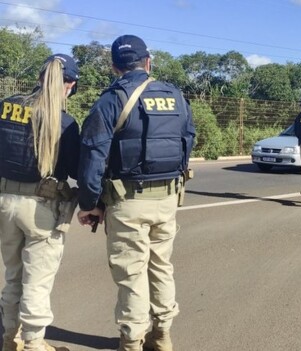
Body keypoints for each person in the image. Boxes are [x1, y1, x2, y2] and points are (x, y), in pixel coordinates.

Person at [76, 35, 195, 351]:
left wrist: (90, 203)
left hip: (127, 201)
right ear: (148, 61)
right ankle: (162, 335)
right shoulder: (177, 97)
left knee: (131, 275)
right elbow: (188, 140)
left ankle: (131, 342)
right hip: (168, 198)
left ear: (114, 66)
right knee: (160, 267)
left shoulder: (111, 100)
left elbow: (93, 156)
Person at [0, 54, 80, 351]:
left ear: (39, 77)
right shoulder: (66, 122)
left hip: (5, 202)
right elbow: (75, 169)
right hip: (42, 208)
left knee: (13, 275)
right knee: (37, 281)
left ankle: (10, 338)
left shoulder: (6, 106)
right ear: (69, 85)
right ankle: (34, 343)